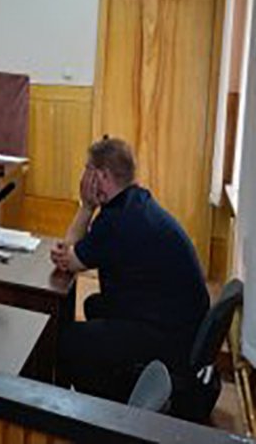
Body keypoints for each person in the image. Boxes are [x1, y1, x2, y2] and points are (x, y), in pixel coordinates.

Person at [50, 137, 209, 402]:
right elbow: (73, 255)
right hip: (182, 324)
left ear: (101, 176)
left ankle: (102, 410)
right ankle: (115, 380)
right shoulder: (135, 202)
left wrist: (86, 206)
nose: (83, 177)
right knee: (94, 305)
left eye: (87, 169)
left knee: (70, 341)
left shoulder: (116, 220)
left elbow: (68, 260)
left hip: (171, 337)